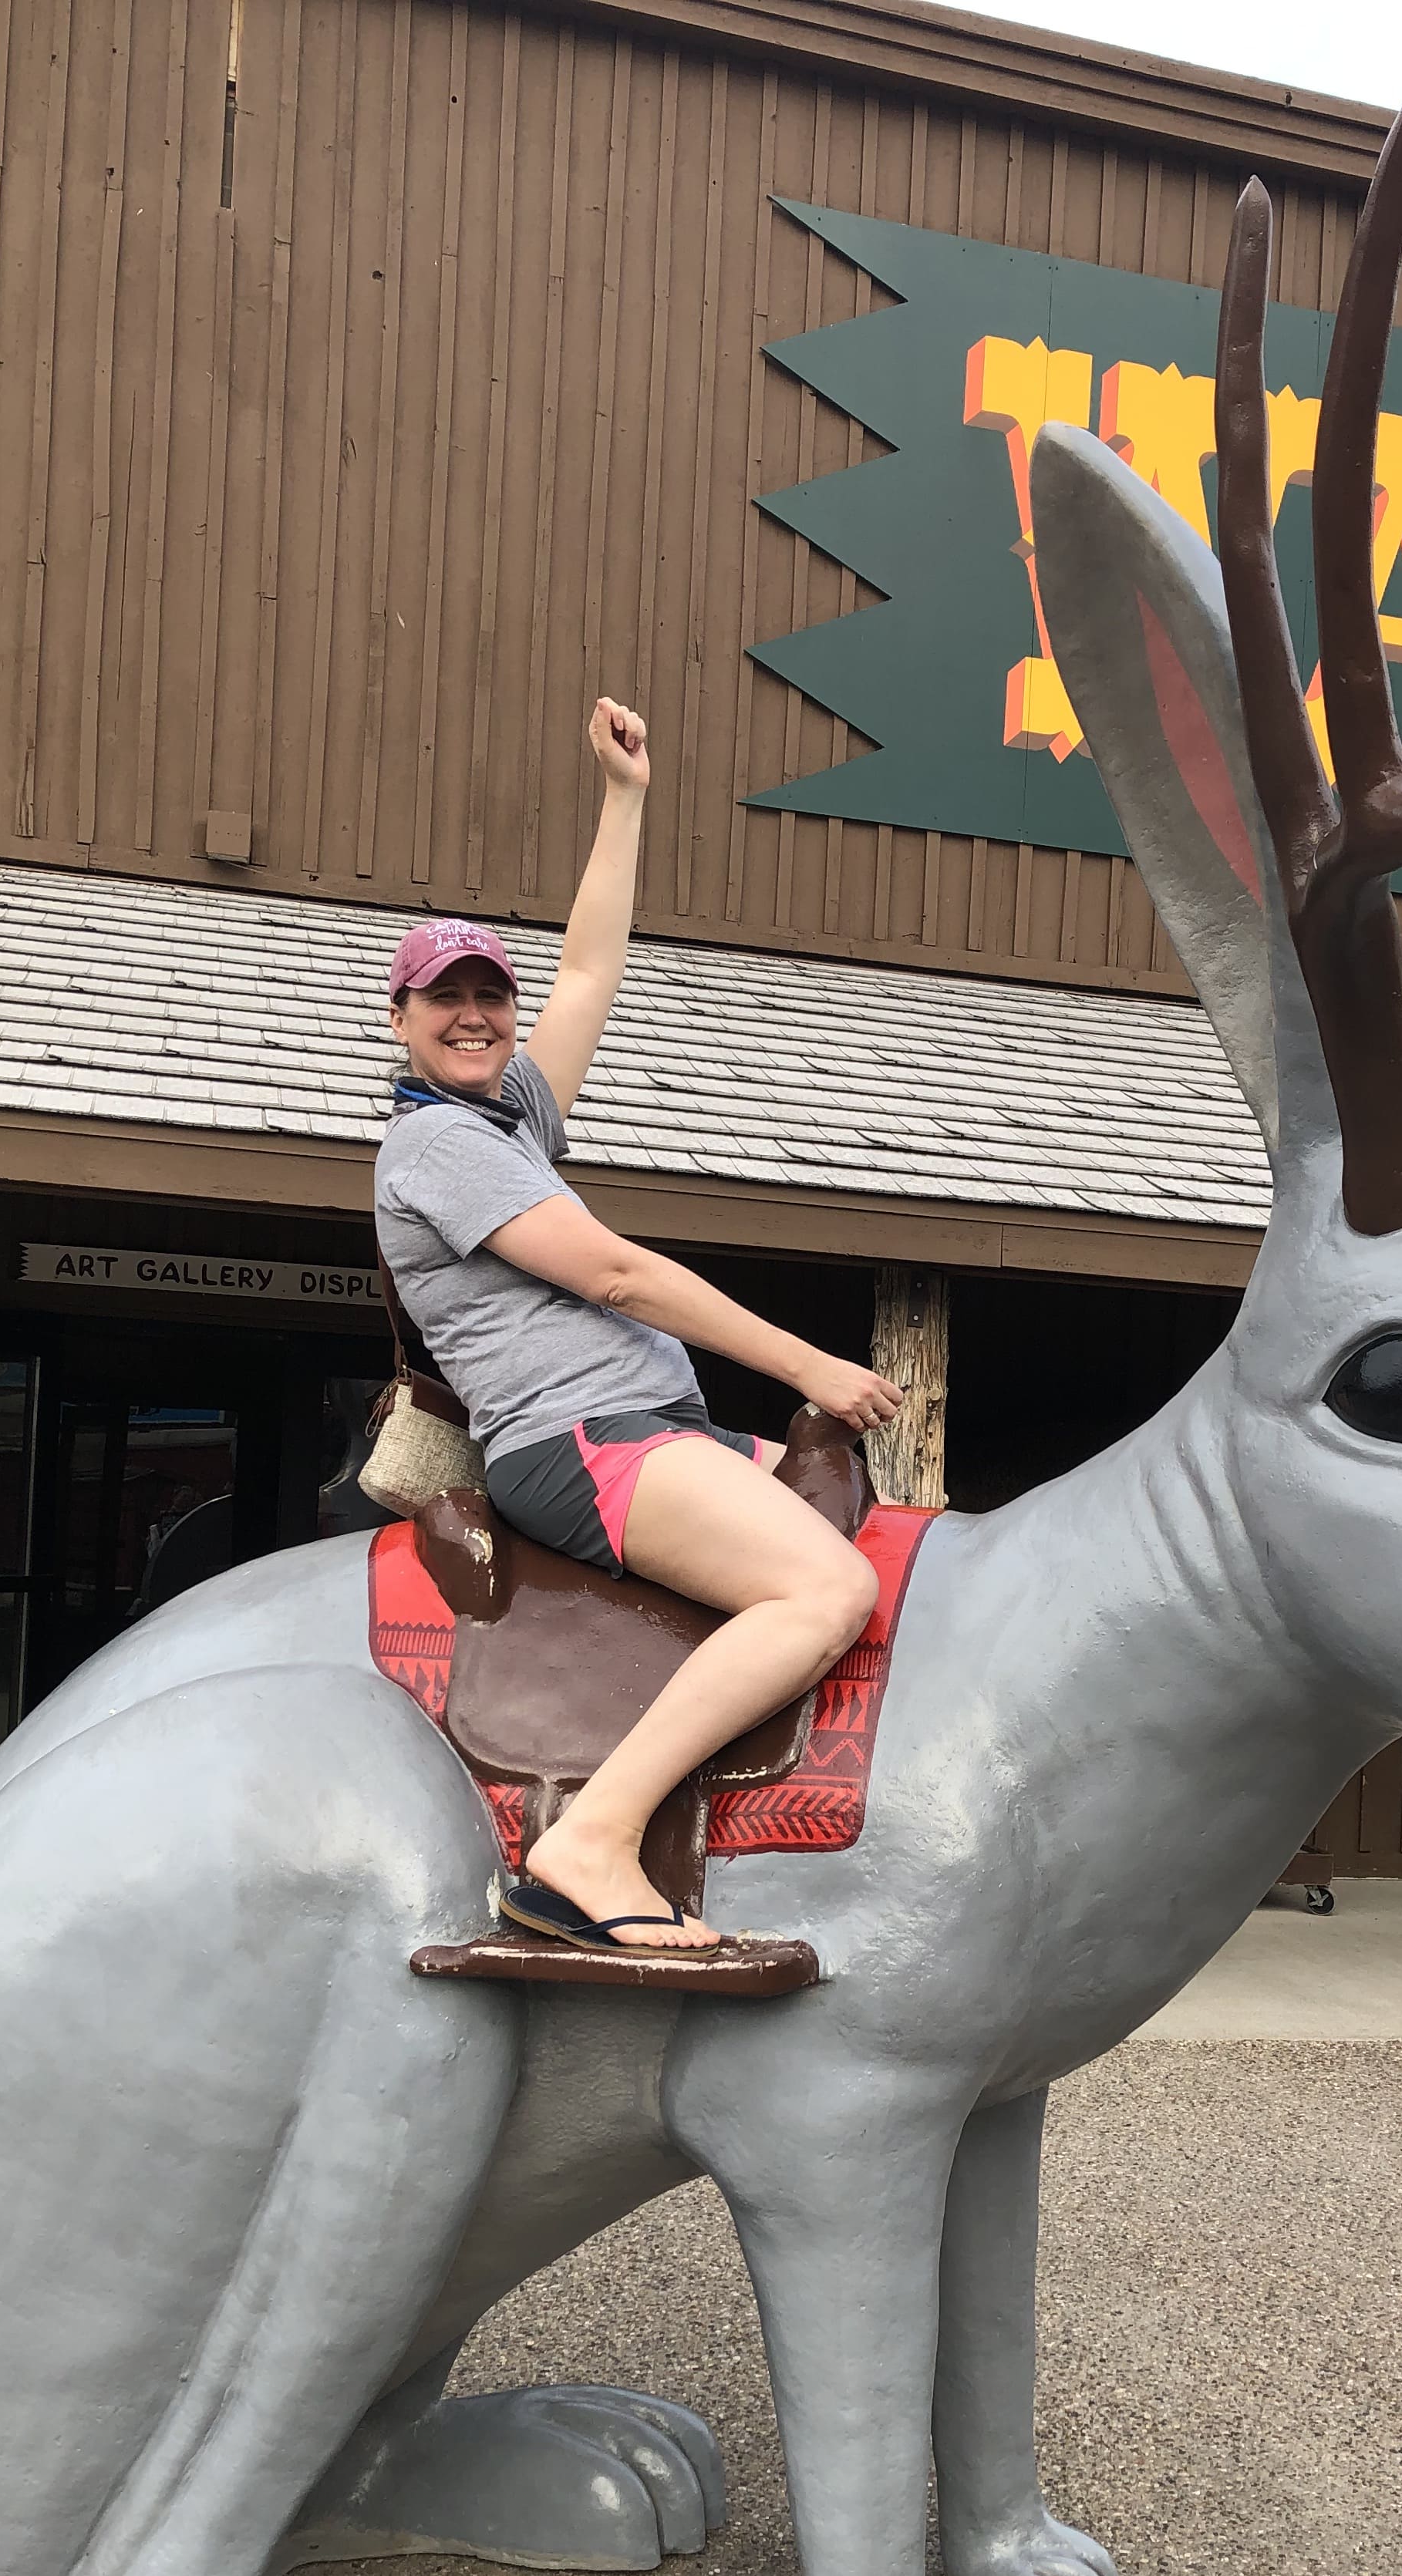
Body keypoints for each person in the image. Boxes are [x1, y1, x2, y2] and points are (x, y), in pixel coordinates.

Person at [375, 699, 903, 1954]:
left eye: (486, 997)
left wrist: (625, 800)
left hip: (648, 1422)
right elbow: (614, 1276)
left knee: (866, 1517)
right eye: (443, 998)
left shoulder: (507, 1121)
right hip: (583, 1437)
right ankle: (592, 1839)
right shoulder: (439, 1144)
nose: (476, 1015)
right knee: (823, 1589)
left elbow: (588, 972)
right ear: (400, 1020)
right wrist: (806, 1364)